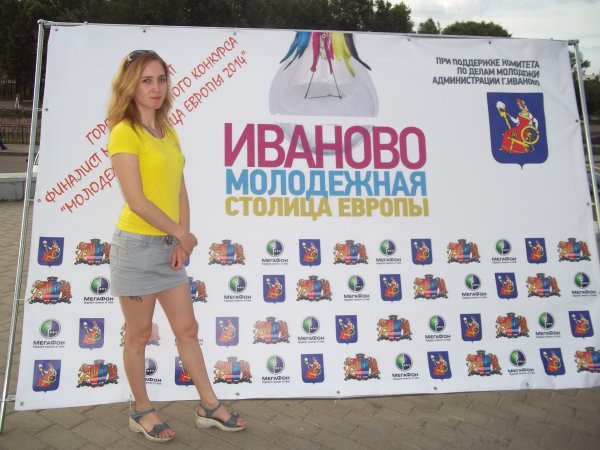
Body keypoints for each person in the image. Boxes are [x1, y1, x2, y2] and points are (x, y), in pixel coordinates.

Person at [107, 50, 247, 443]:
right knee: (139, 335)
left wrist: (181, 238)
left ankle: (209, 406)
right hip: (135, 249)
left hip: (169, 247)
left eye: (161, 79)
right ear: (130, 86)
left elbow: (180, 191)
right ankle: (141, 409)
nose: (155, 88)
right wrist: (180, 234)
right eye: (146, 80)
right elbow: (137, 201)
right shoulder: (124, 132)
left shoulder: (167, 132)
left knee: (187, 328)